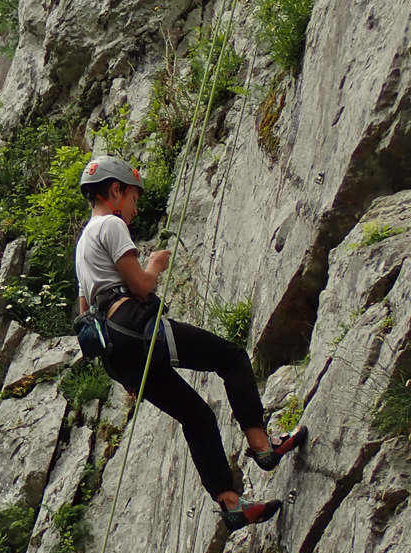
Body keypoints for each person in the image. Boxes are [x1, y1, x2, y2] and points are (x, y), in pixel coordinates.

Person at [73, 155, 307, 531]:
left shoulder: (83, 243)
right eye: (133, 198)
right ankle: (263, 447)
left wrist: (129, 376)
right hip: (134, 327)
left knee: (196, 416)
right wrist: (155, 264)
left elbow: (85, 311)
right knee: (230, 358)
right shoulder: (111, 227)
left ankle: (231, 504)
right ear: (115, 190)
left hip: (115, 350)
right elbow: (141, 286)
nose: (134, 209)